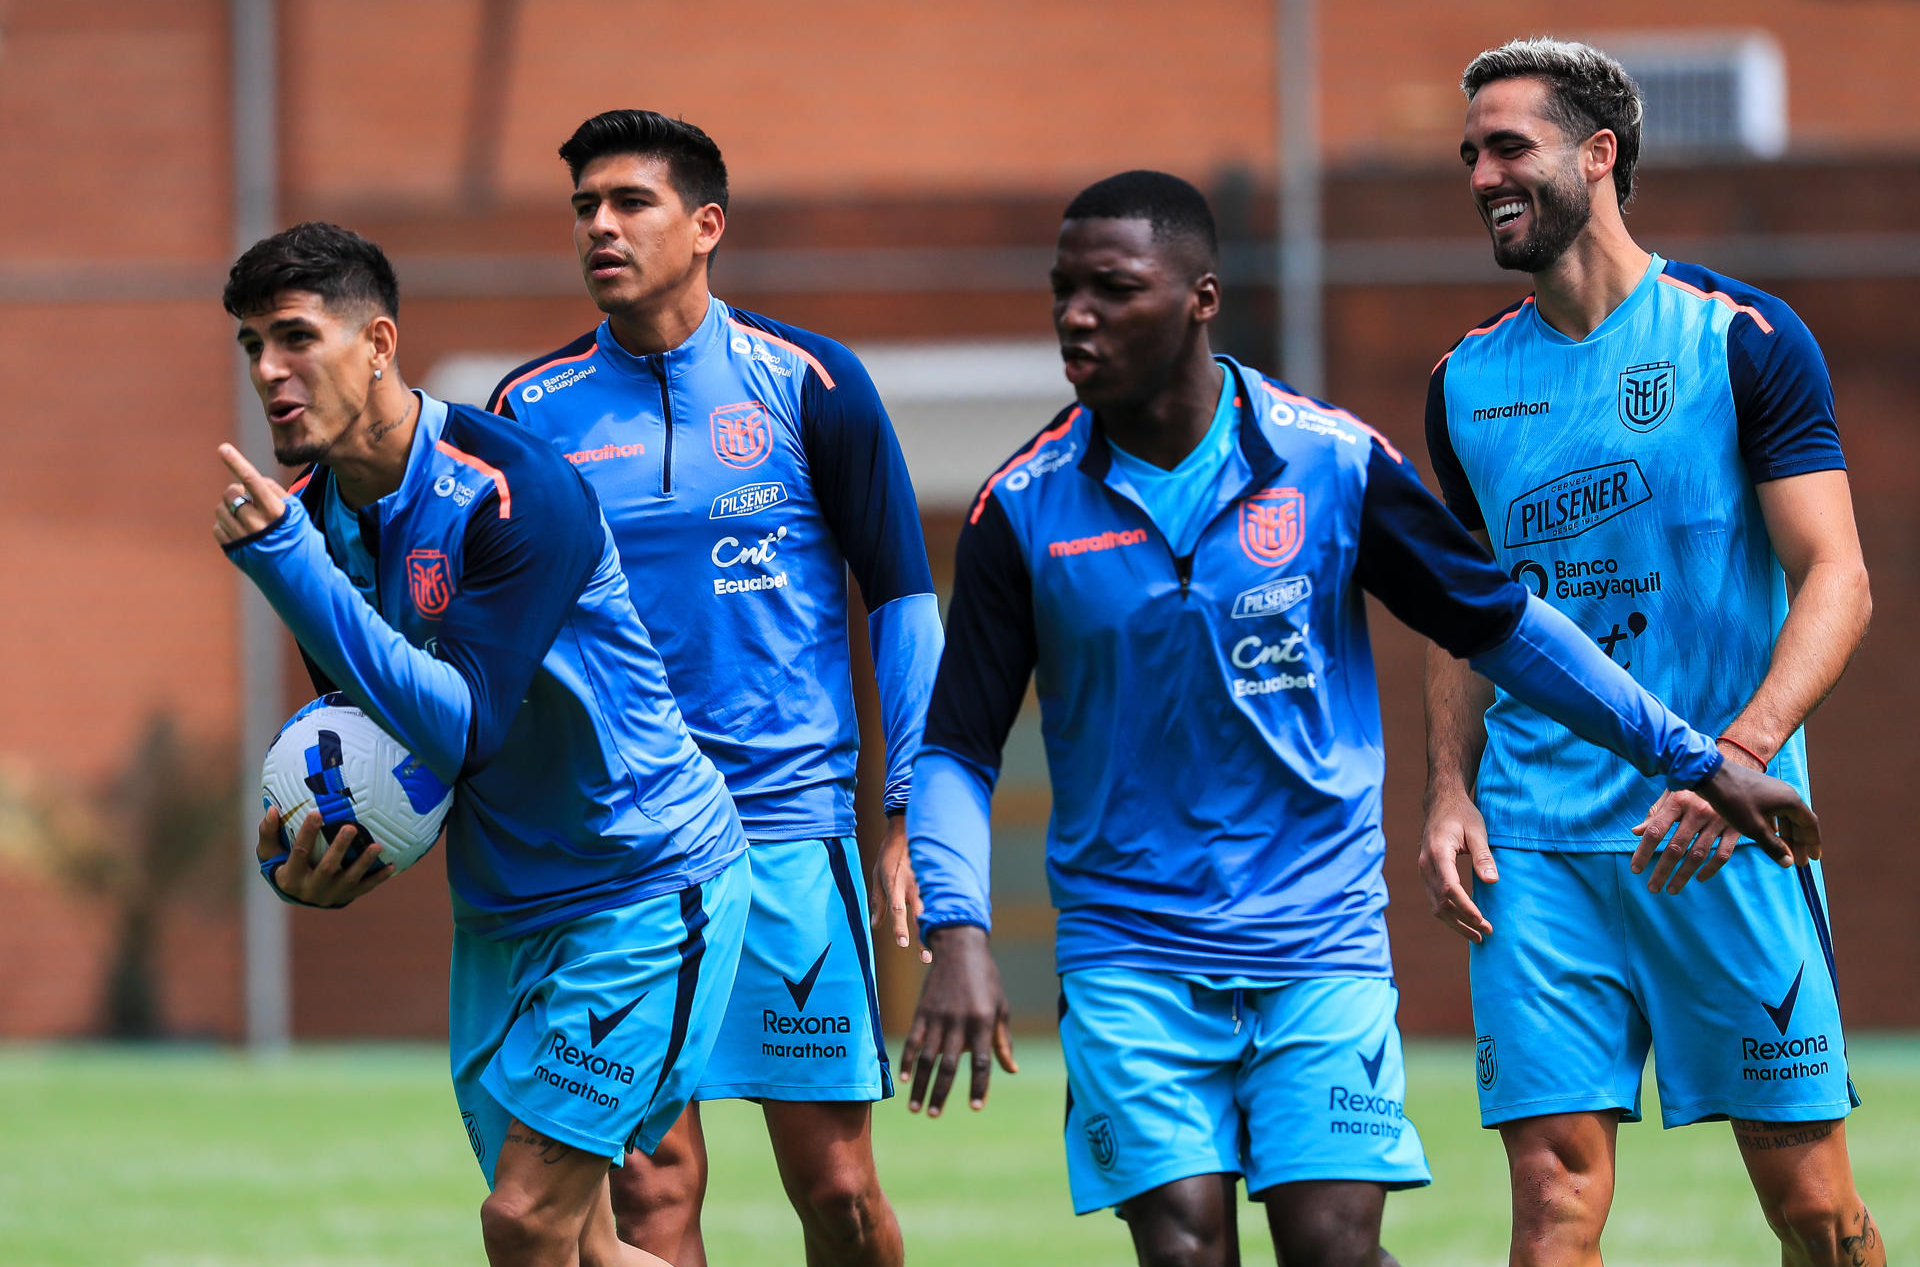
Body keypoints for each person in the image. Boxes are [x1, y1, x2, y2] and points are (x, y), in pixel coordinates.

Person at [898, 170, 1820, 1267]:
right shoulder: (1024, 506)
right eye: (1063, 291)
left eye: (1112, 288)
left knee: (1333, 1246)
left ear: (1200, 296)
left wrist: (1696, 755)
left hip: (1316, 937)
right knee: (1186, 1247)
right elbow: (955, 747)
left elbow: (1506, 627)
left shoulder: (1332, 463)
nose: (1076, 316)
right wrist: (960, 929)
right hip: (1131, 949)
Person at [1419, 38, 1882, 1267]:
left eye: (1508, 145)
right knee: (1554, 1199)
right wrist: (1450, 788)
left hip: (1720, 824)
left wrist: (1740, 750)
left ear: (1598, 153)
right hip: (1535, 844)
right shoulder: (1464, 380)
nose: (1481, 174)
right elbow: (1465, 612)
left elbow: (1836, 575)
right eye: (1470, 153)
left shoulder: (1742, 338)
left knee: (1817, 1212)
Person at [214, 221, 751, 1267]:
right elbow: (379, 745)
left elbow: (461, 723)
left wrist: (286, 563)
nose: (270, 371)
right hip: (503, 914)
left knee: (524, 1221)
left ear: (377, 342)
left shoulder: (514, 488)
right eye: (250, 347)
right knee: (582, 1244)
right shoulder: (317, 524)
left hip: (640, 883)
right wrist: (311, 858)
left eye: (293, 337)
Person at [486, 110, 940, 1267]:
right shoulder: (527, 415)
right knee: (651, 1198)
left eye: (629, 202)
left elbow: (900, 600)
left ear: (706, 225)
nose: (600, 225)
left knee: (837, 1190)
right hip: (628, 850)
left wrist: (911, 818)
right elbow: (498, 627)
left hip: (791, 835)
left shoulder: (813, 381)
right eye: (584, 206)